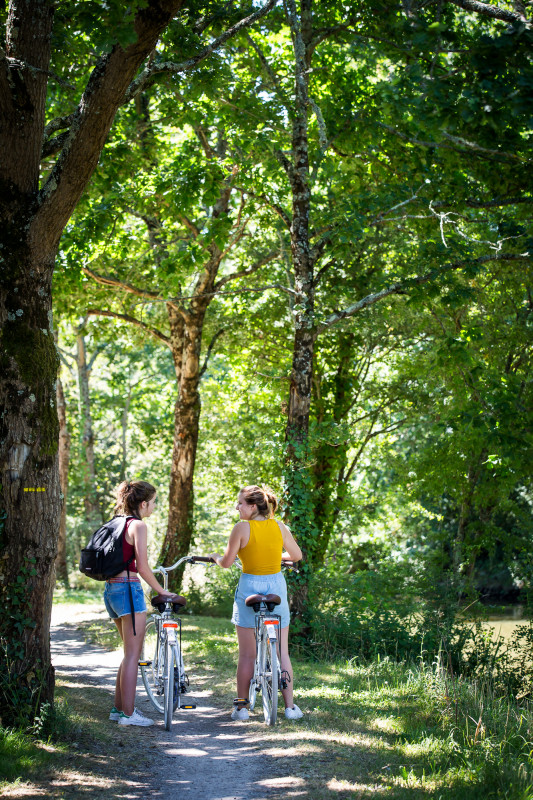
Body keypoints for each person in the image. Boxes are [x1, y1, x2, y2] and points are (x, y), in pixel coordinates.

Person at [209, 484, 304, 721]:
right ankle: (290, 708)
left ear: (252, 507)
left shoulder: (241, 528)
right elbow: (296, 556)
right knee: (282, 652)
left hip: (249, 586)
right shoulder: (279, 526)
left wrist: (215, 558)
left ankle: (242, 709)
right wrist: (276, 557)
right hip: (276, 587)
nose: (237, 507)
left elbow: (228, 562)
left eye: (240, 503)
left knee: (246, 655)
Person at [105, 480, 176, 727]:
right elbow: (143, 568)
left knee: (128, 655)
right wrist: (162, 591)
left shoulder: (116, 521)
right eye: (154, 502)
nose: (154, 506)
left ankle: (118, 710)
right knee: (134, 655)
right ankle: (129, 714)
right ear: (143, 504)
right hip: (128, 588)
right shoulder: (138, 526)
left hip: (111, 590)